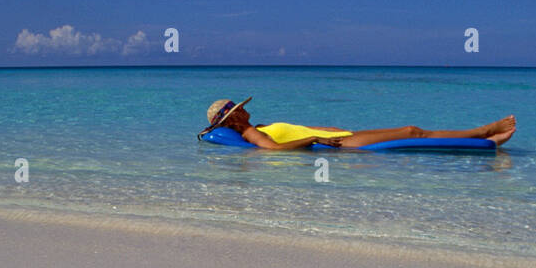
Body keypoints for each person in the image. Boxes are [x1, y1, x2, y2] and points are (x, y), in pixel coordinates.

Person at [199, 98, 516, 149]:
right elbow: (271, 151)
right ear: (234, 118)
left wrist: (321, 130)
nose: (245, 111)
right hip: (340, 148)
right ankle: (484, 134)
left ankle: (484, 139)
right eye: (239, 110)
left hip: (339, 138)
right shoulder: (251, 133)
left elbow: (292, 129)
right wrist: (314, 142)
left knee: (411, 130)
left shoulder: (259, 125)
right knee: (412, 132)